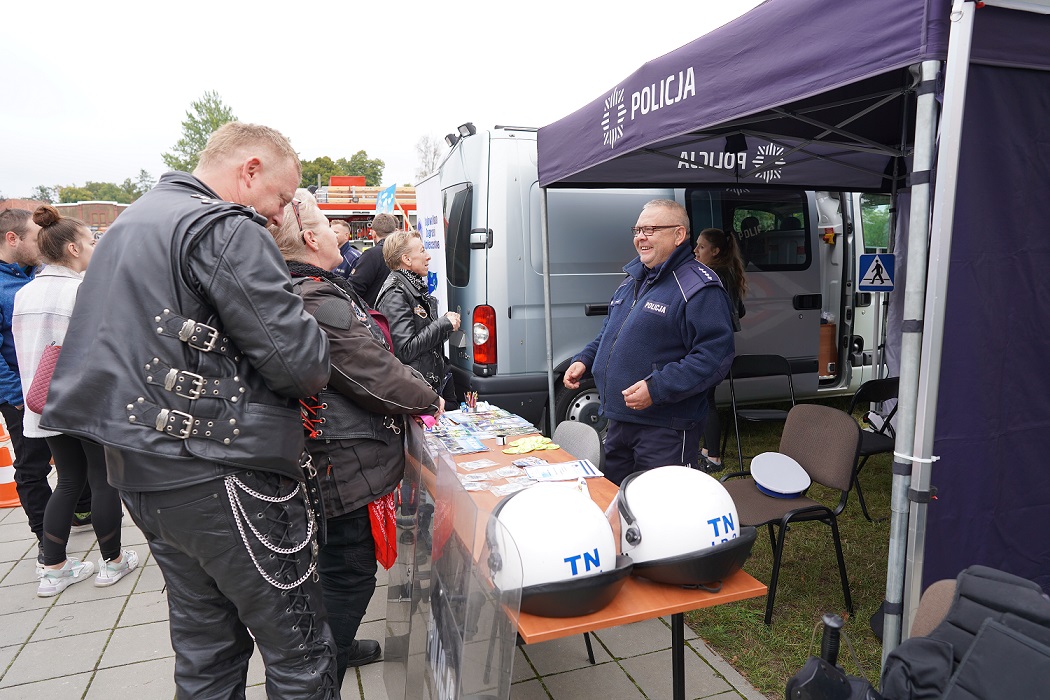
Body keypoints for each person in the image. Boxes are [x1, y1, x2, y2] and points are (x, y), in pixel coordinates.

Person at [39, 123, 339, 698]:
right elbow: (301, 366)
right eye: (281, 197)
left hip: (144, 475)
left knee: (207, 654)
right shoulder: (226, 228)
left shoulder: (129, 225)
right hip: (228, 472)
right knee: (301, 653)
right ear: (250, 170)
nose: (280, 214)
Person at [270, 191, 442, 685]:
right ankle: (320, 676)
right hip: (342, 464)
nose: (337, 232)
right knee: (350, 574)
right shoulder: (316, 298)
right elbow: (374, 372)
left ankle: (335, 648)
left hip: (335, 457)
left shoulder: (307, 289)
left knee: (337, 569)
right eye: (329, 225)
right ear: (310, 238)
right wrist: (427, 398)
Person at [562, 200, 735, 485]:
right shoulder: (633, 279)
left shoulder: (698, 286)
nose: (640, 237)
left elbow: (714, 356)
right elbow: (609, 332)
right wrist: (585, 359)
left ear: (679, 235)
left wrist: (656, 388)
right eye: (637, 230)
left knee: (660, 505)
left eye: (651, 230)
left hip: (665, 428)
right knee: (616, 498)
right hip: (619, 420)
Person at [13, 205, 138, 596]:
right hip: (84, 400)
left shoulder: (25, 293)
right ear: (72, 248)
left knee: (67, 480)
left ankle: (53, 567)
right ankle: (112, 561)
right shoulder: (82, 291)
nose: (95, 247)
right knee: (102, 480)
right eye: (91, 241)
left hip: (42, 402)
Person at [0, 208, 59, 570]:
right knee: (32, 466)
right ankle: (46, 540)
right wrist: (16, 397)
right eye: (36, 238)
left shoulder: (37, 274)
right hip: (20, 395)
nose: (43, 244)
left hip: (55, 385)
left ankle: (81, 512)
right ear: (12, 239)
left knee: (71, 455)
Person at [374, 231, 461, 401]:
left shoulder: (411, 285)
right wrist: (442, 324)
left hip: (431, 382)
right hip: (416, 388)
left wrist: (447, 326)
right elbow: (405, 350)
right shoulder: (395, 292)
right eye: (422, 251)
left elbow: (424, 339)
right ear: (406, 259)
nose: (428, 256)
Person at [693, 227, 748, 473]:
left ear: (715, 251)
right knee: (706, 398)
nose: (695, 250)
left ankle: (713, 457)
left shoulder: (713, 275)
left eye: (701, 246)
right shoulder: (727, 272)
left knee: (706, 401)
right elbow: (740, 311)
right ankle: (707, 450)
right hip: (720, 346)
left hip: (711, 346)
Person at [348, 212, 399, 305]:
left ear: (373, 233)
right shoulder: (404, 252)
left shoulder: (371, 255)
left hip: (375, 311)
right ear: (395, 231)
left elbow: (353, 289)